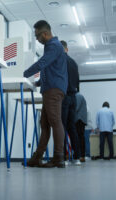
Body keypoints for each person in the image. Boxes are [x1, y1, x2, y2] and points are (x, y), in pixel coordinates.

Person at [23, 20, 68, 168]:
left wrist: (24, 73)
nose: (36, 39)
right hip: (50, 89)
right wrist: (38, 83)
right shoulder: (53, 47)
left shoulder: (54, 46)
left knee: (55, 122)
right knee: (45, 124)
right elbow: (51, 69)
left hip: (53, 90)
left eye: (37, 36)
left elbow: (42, 63)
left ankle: (58, 158)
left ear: (45, 33)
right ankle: (38, 156)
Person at [60, 40, 80, 165]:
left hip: (64, 96)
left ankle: (63, 158)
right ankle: (77, 158)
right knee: (72, 128)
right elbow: (78, 81)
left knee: (61, 127)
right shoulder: (74, 63)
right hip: (74, 97)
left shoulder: (60, 61)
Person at [74, 92, 87, 163]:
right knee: (80, 138)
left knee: (79, 138)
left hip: (79, 120)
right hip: (80, 120)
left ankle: (81, 155)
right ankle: (81, 155)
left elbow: (75, 108)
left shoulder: (78, 96)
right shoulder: (80, 95)